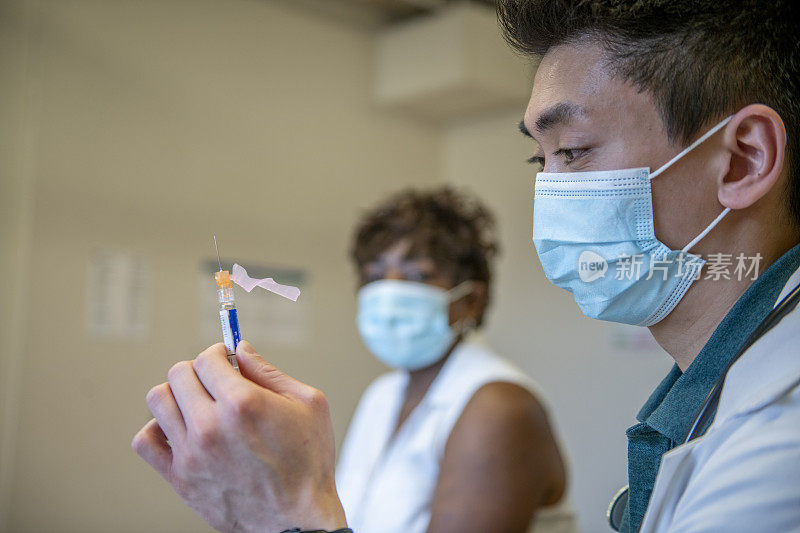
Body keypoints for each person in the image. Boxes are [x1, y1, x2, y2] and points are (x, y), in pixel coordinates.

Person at [132, 1, 800, 532]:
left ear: (741, 160)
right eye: (541, 160)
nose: (552, 194)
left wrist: (285, 514)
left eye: (572, 149)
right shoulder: (704, 399)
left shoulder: (782, 445)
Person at [337, 187, 573, 532]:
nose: (388, 293)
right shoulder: (382, 394)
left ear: (471, 300)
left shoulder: (498, 407)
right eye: (374, 276)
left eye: (417, 275)